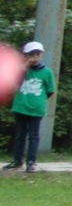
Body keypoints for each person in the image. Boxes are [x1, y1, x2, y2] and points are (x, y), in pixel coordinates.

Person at [10, 41, 52, 170]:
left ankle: (31, 162)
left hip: (36, 109)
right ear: (25, 56)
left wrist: (38, 101)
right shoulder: (21, 70)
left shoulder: (47, 72)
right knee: (20, 135)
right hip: (21, 108)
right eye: (31, 54)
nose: (34, 57)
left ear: (42, 55)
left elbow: (50, 90)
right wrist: (24, 68)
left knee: (34, 136)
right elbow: (13, 82)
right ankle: (17, 161)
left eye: (37, 54)